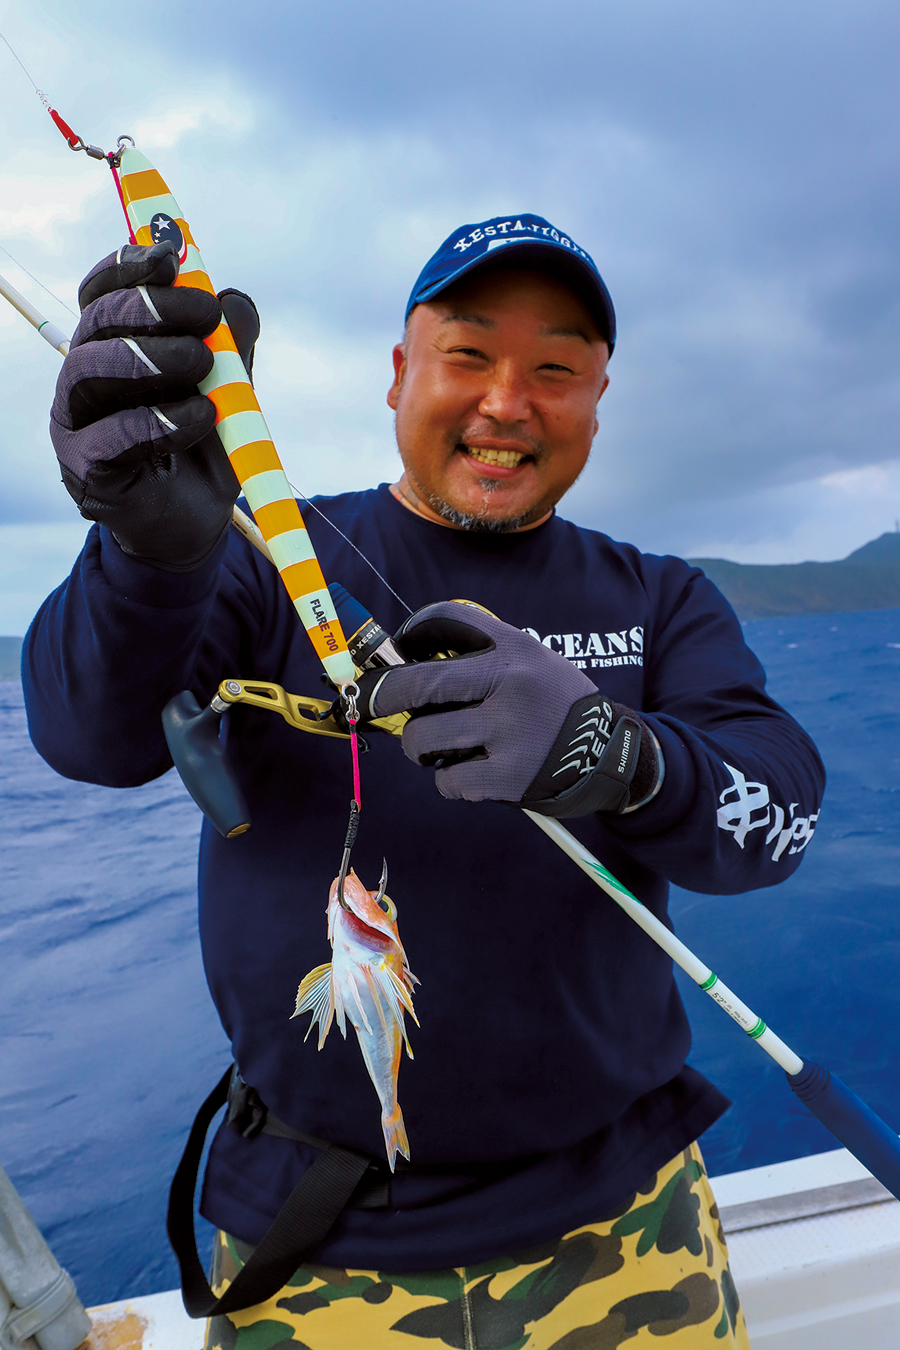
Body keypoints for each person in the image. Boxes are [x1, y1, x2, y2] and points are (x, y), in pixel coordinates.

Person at [24, 214, 825, 1349]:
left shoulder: (661, 596)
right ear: (400, 373)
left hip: (625, 1216)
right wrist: (146, 555)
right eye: (468, 355)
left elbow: (776, 818)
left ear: (599, 401)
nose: (507, 402)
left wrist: (618, 756)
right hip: (318, 1237)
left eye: (555, 370)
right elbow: (90, 738)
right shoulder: (263, 556)